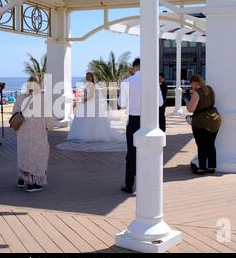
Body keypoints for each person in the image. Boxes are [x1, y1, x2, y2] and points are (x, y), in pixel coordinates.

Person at [118, 58, 164, 194]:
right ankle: (148, 184)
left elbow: (121, 104)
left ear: (134, 68)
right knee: (149, 152)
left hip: (133, 121)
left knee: (132, 153)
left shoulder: (127, 82)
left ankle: (129, 185)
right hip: (149, 121)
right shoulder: (153, 81)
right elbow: (160, 103)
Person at [12, 76, 54, 192]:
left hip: (22, 133)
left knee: (24, 155)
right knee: (36, 157)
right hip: (38, 134)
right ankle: (31, 183)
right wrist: (49, 127)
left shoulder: (21, 97)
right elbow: (49, 120)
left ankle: (21, 178)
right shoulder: (42, 99)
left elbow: (14, 113)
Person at [67, 72, 123, 142]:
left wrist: (84, 99)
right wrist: (83, 99)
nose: (87, 77)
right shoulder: (87, 84)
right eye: (87, 76)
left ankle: (90, 135)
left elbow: (92, 96)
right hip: (86, 103)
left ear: (92, 77)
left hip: (90, 103)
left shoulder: (92, 85)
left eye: (89, 76)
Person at [186, 75, 222, 175]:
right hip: (215, 119)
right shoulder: (210, 89)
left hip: (201, 122)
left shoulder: (196, 93)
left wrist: (187, 101)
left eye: (191, 83)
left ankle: (202, 168)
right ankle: (211, 167)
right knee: (211, 144)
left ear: (195, 82)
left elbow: (191, 109)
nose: (191, 85)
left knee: (201, 145)